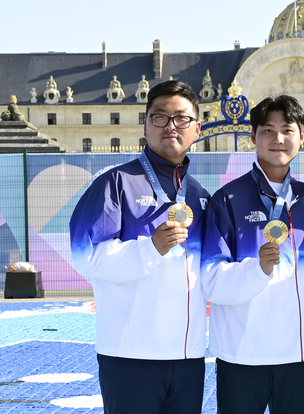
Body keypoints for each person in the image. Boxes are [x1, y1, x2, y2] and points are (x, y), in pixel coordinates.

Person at [69, 81, 209, 414]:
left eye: (181, 119)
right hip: (131, 355)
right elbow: (84, 256)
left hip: (188, 355)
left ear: (197, 129)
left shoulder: (201, 196)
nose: (170, 126)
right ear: (145, 126)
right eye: (159, 117)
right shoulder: (115, 182)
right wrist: (150, 249)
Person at [201, 94, 304, 414]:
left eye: (287, 129)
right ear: (253, 137)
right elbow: (210, 280)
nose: (278, 139)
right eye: (268, 130)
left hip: (299, 355)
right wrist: (256, 269)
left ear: (301, 137)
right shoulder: (227, 199)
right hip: (244, 354)